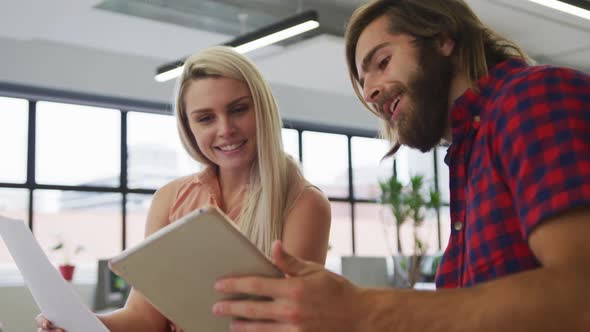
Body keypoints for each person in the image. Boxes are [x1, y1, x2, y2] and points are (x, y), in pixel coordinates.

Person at [211, 0, 590, 331]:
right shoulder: (469, 154)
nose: (371, 92)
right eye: (364, 81)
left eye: (382, 62)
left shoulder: (531, 96)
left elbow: (581, 295)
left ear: (442, 38)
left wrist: (362, 310)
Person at [35, 46, 331, 332]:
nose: (225, 129)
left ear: (262, 109)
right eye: (205, 118)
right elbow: (143, 318)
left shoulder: (303, 203)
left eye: (238, 109)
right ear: (189, 127)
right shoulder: (171, 198)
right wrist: (80, 323)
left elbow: (287, 324)